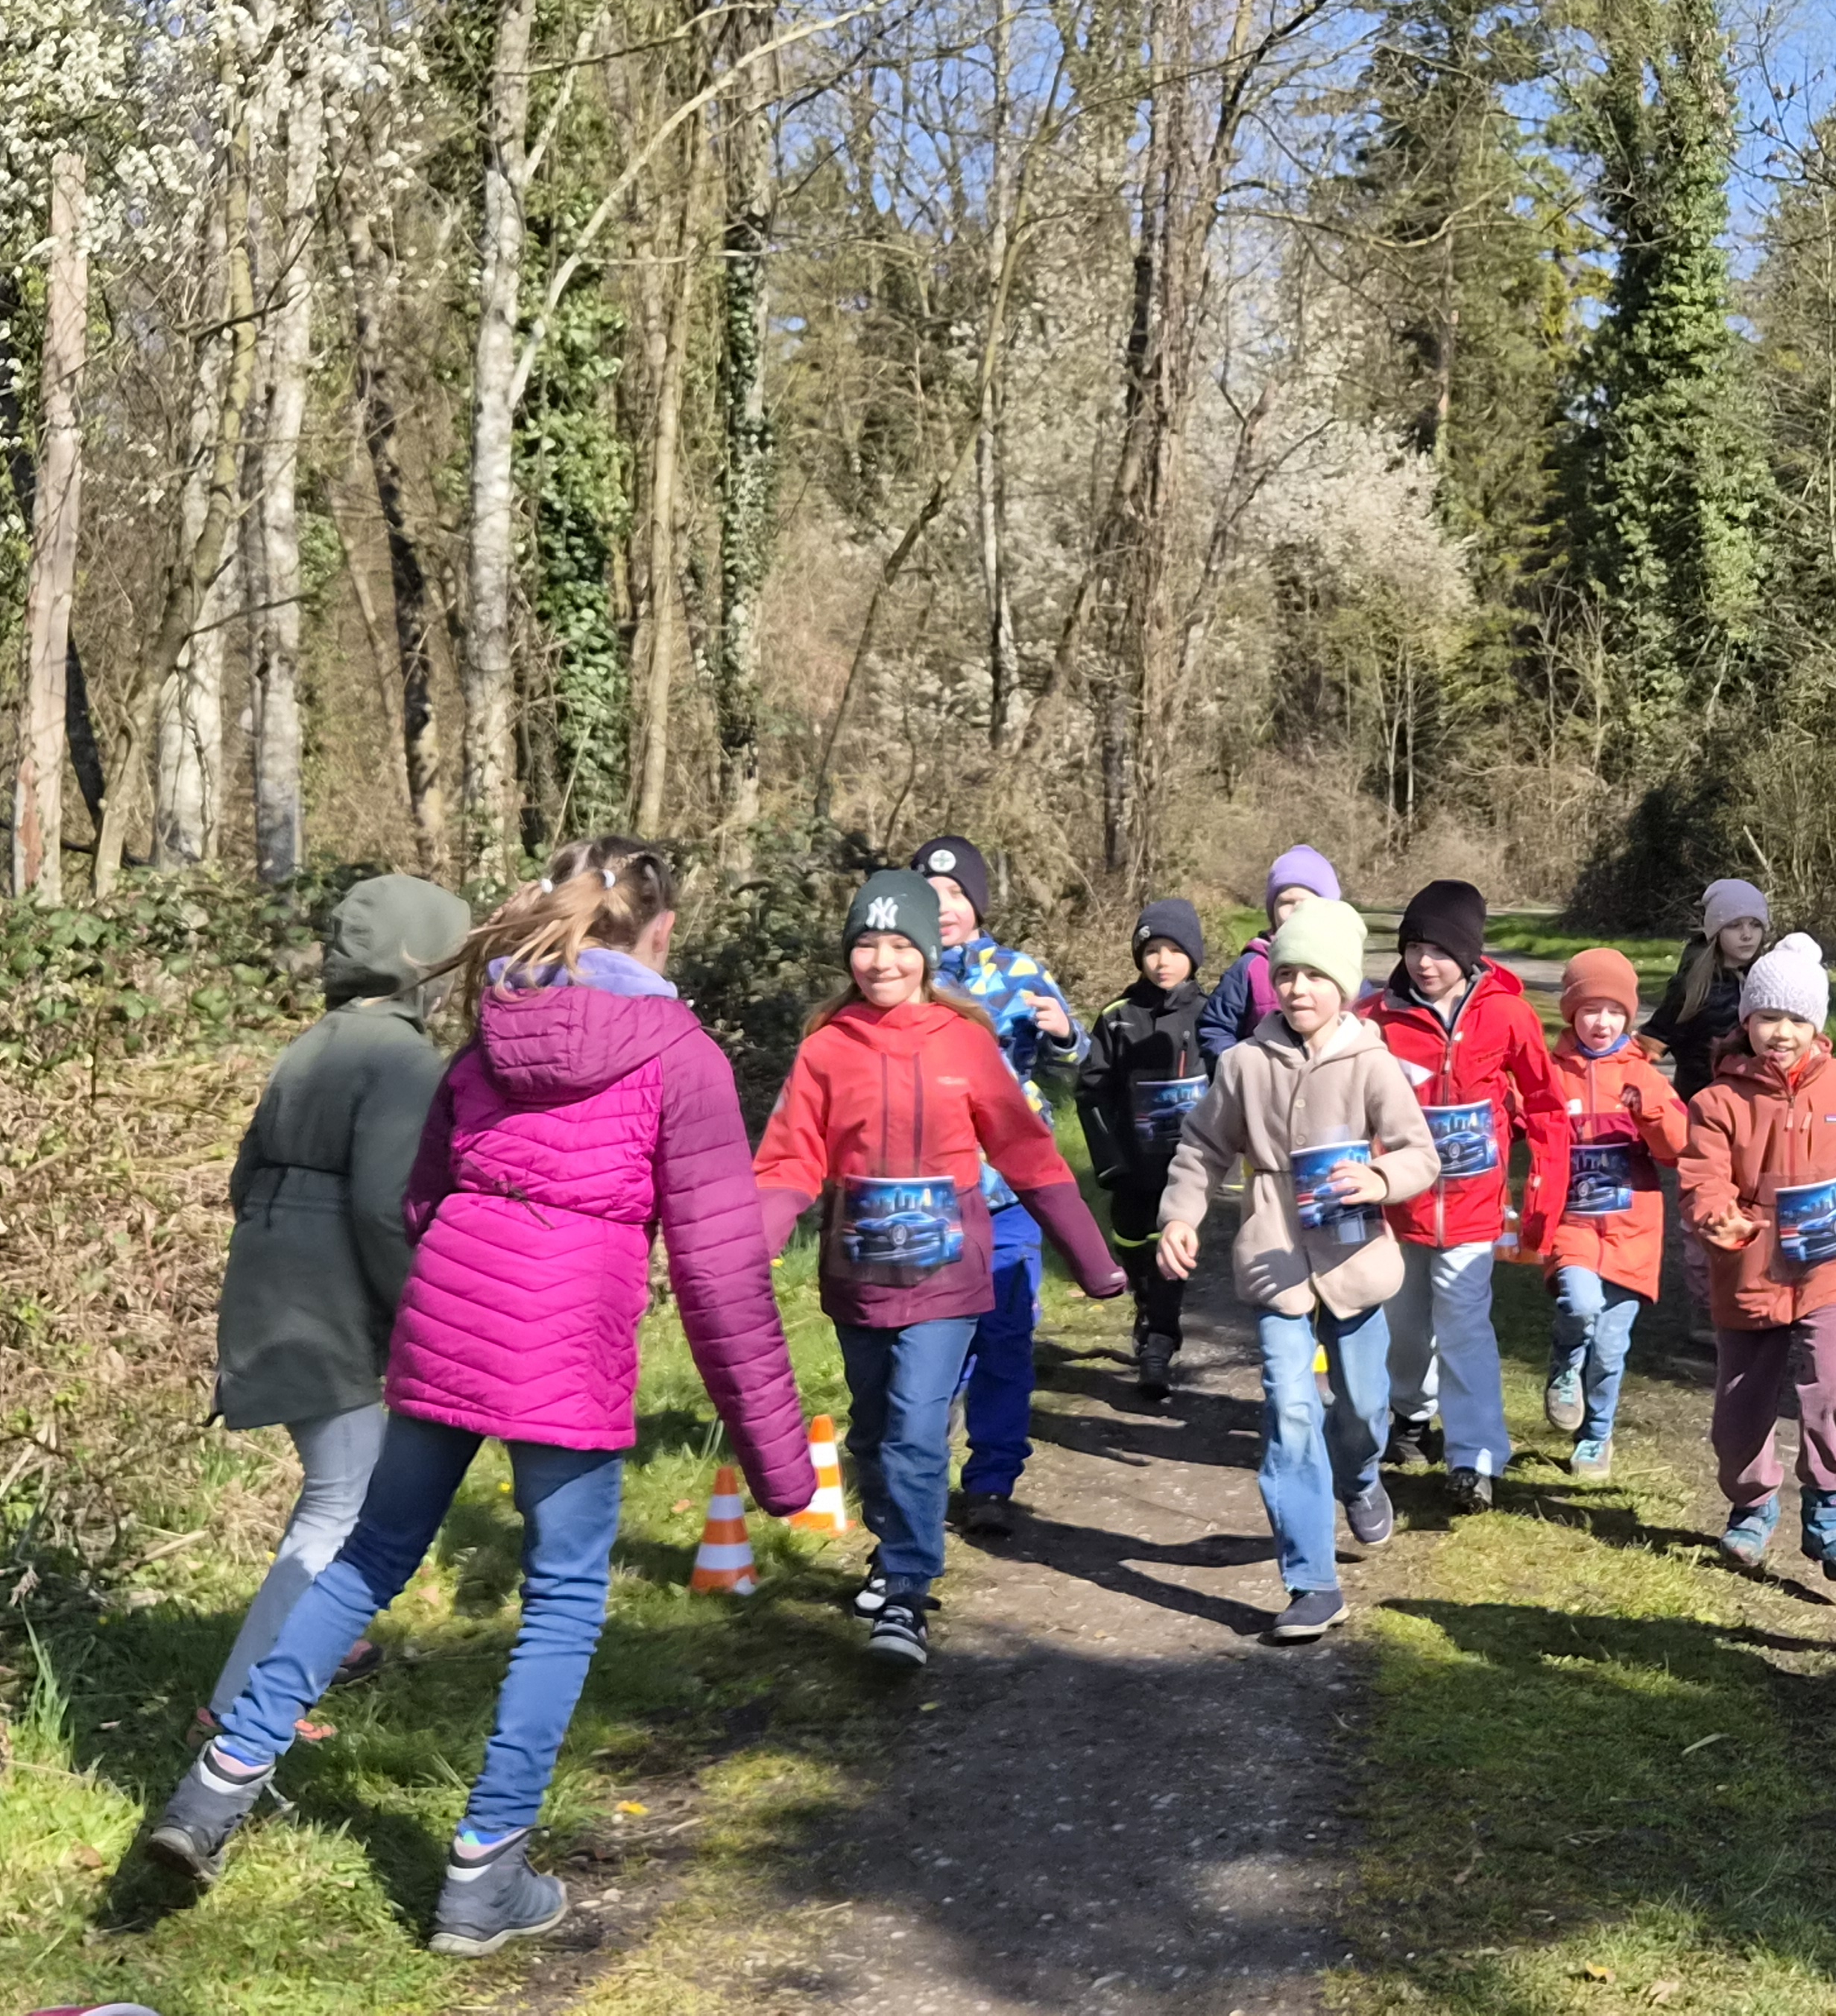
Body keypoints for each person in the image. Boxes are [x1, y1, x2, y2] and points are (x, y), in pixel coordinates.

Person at [147, 839, 816, 1958]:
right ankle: (483, 1874)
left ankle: (214, 1789)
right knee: (562, 1599)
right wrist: (782, 1468)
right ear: (660, 932)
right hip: (568, 1343)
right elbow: (720, 1275)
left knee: (367, 1560)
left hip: (451, 1322)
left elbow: (422, 1197)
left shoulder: (491, 1031)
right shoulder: (681, 1055)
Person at [754, 871, 1126, 1671]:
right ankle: (891, 1546)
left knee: (919, 1425)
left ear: (926, 953)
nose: (881, 961)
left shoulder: (965, 1042)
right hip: (857, 1273)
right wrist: (751, 1244)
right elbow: (788, 1160)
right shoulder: (825, 1048)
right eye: (866, 944)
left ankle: (907, 1588)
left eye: (899, 945)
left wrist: (1091, 1258)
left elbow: (1026, 1152)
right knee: (873, 1428)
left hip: (948, 1274)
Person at [201, 872, 471, 1727]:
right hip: (328, 1309)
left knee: (346, 1481)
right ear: (423, 964)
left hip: (269, 1286)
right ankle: (241, 1708)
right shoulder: (403, 1059)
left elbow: (244, 1178)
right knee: (342, 1499)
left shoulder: (312, 1043)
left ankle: (326, 1640)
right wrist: (422, 1314)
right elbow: (387, 1209)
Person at [1155, 898, 1440, 1640]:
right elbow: (1201, 1149)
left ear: (1343, 984)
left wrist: (1379, 1179)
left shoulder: (1372, 1061)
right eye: (1286, 974)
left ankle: (1360, 1476)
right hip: (1275, 1259)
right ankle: (1312, 1581)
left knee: (1364, 1407)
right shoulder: (1244, 1065)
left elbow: (1420, 1154)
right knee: (1289, 1411)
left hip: (1356, 1262)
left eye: (1315, 975)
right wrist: (1180, 1216)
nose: (1298, 989)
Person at [1680, 933, 1836, 1583]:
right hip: (1751, 1262)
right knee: (1742, 1403)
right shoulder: (1717, 1103)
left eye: (1797, 1019)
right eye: (1768, 1017)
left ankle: (1830, 1510)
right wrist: (1718, 1214)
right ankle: (1751, 1504)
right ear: (1747, 1020)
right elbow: (1702, 1178)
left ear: (1817, 1026)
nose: (1782, 1033)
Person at [1356, 878, 1570, 1511]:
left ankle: (1474, 1458)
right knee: (1404, 1326)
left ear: (1470, 953)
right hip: (1398, 1207)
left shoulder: (1507, 1014)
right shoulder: (1375, 1020)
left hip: (1475, 1209)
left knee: (1465, 1327)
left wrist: (1543, 1194)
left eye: (1440, 951)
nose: (1424, 962)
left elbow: (1546, 1105)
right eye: (1414, 947)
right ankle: (1411, 1414)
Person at [907, 832, 1081, 1535]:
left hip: (1009, 1192)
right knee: (931, 1341)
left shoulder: (1019, 972)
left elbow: (1076, 1065)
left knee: (1006, 1336)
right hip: (926, 1195)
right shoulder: (900, 974)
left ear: (979, 903)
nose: (944, 908)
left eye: (956, 895)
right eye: (929, 896)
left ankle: (992, 1481)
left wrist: (1065, 1035)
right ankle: (919, 1468)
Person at [1541, 947, 1687, 1480]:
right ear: (1570, 1012)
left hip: (1633, 1230)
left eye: (1614, 1011)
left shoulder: (1645, 1075)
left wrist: (1649, 1112)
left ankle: (1596, 1437)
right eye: (1589, 1010)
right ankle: (1564, 1364)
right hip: (1574, 1222)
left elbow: (1678, 1149)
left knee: (1610, 1348)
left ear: (1628, 1015)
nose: (1601, 1023)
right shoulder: (1551, 1072)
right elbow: (1521, 1124)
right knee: (1579, 1306)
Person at [1076, 896, 1211, 1396]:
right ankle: (1146, 1305)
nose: (1162, 961)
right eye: (1152, 950)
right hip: (1132, 1164)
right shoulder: (1117, 1017)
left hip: (1187, 1166)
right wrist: (1109, 1161)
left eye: (1175, 950)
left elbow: (1231, 1082)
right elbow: (1092, 1091)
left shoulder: (1210, 1015)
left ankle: (1158, 1344)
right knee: (1133, 1242)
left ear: (1193, 956)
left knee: (1171, 1250)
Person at [1199, 845, 1340, 1064]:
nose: (1295, 911)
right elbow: (1215, 1029)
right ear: (1272, 910)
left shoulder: (1342, 964)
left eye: (1306, 902)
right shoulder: (1251, 966)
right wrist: (1243, 1070)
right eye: (1286, 902)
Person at [1646, 878, 1770, 1094]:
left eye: (1755, 924)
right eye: (1734, 925)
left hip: (1753, 1101)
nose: (1747, 935)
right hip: (1698, 1100)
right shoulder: (1691, 985)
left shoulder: (1769, 981)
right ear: (1716, 931)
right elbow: (1653, 1041)